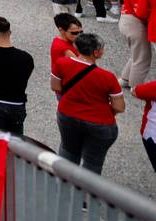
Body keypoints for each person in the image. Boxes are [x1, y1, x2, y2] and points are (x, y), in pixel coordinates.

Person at [50, 32, 124, 174]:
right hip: (100, 123)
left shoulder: (61, 63)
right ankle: (86, 194)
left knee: (68, 151)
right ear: (96, 53)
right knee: (92, 163)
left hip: (67, 114)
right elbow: (119, 107)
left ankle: (62, 186)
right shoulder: (108, 77)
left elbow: (55, 87)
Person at [120, 0, 152, 89]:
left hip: (128, 21)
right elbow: (139, 11)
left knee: (136, 53)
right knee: (142, 56)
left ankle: (126, 79)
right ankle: (136, 86)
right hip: (134, 23)